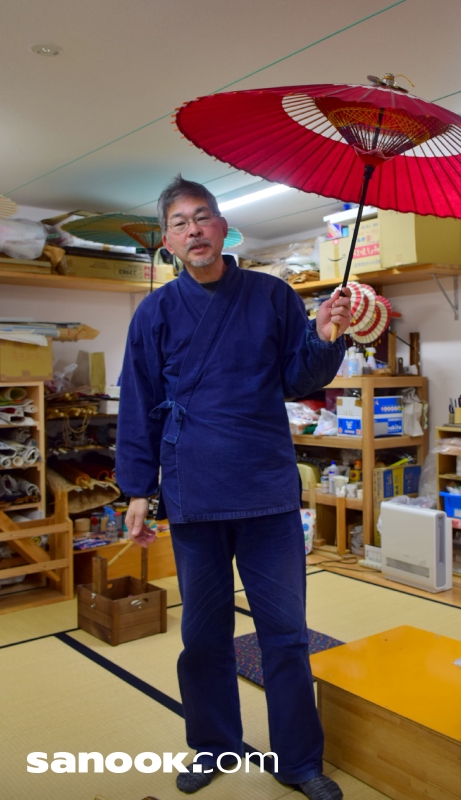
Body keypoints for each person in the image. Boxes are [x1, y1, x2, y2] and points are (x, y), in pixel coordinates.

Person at [116, 175, 351, 799]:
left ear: (224, 226)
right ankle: (214, 747)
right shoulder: (155, 312)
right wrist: (137, 490)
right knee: (203, 633)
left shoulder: (272, 295)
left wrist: (325, 336)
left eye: (203, 217)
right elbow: (138, 405)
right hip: (194, 490)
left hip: (267, 487)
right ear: (168, 242)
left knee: (286, 633)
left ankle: (300, 762)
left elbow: (298, 380)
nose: (193, 230)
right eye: (179, 223)